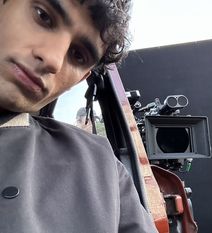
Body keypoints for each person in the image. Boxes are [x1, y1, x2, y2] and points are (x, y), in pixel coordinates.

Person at [0, 0, 158, 232]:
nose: (54, 60)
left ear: (81, 78)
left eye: (77, 55)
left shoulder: (103, 169)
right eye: (43, 16)